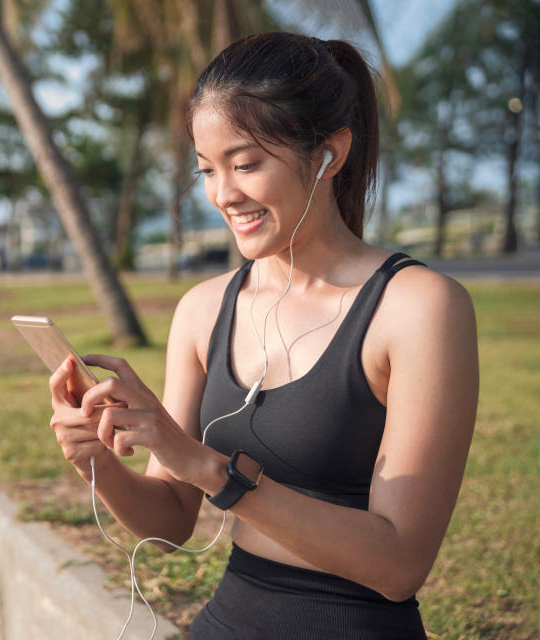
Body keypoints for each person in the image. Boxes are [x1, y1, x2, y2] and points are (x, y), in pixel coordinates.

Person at [47, 32, 478, 639]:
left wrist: (209, 467)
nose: (224, 194)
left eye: (246, 163)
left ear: (329, 155)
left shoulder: (418, 308)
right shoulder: (203, 309)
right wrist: (98, 463)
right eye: (207, 169)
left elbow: (399, 565)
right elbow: (169, 524)